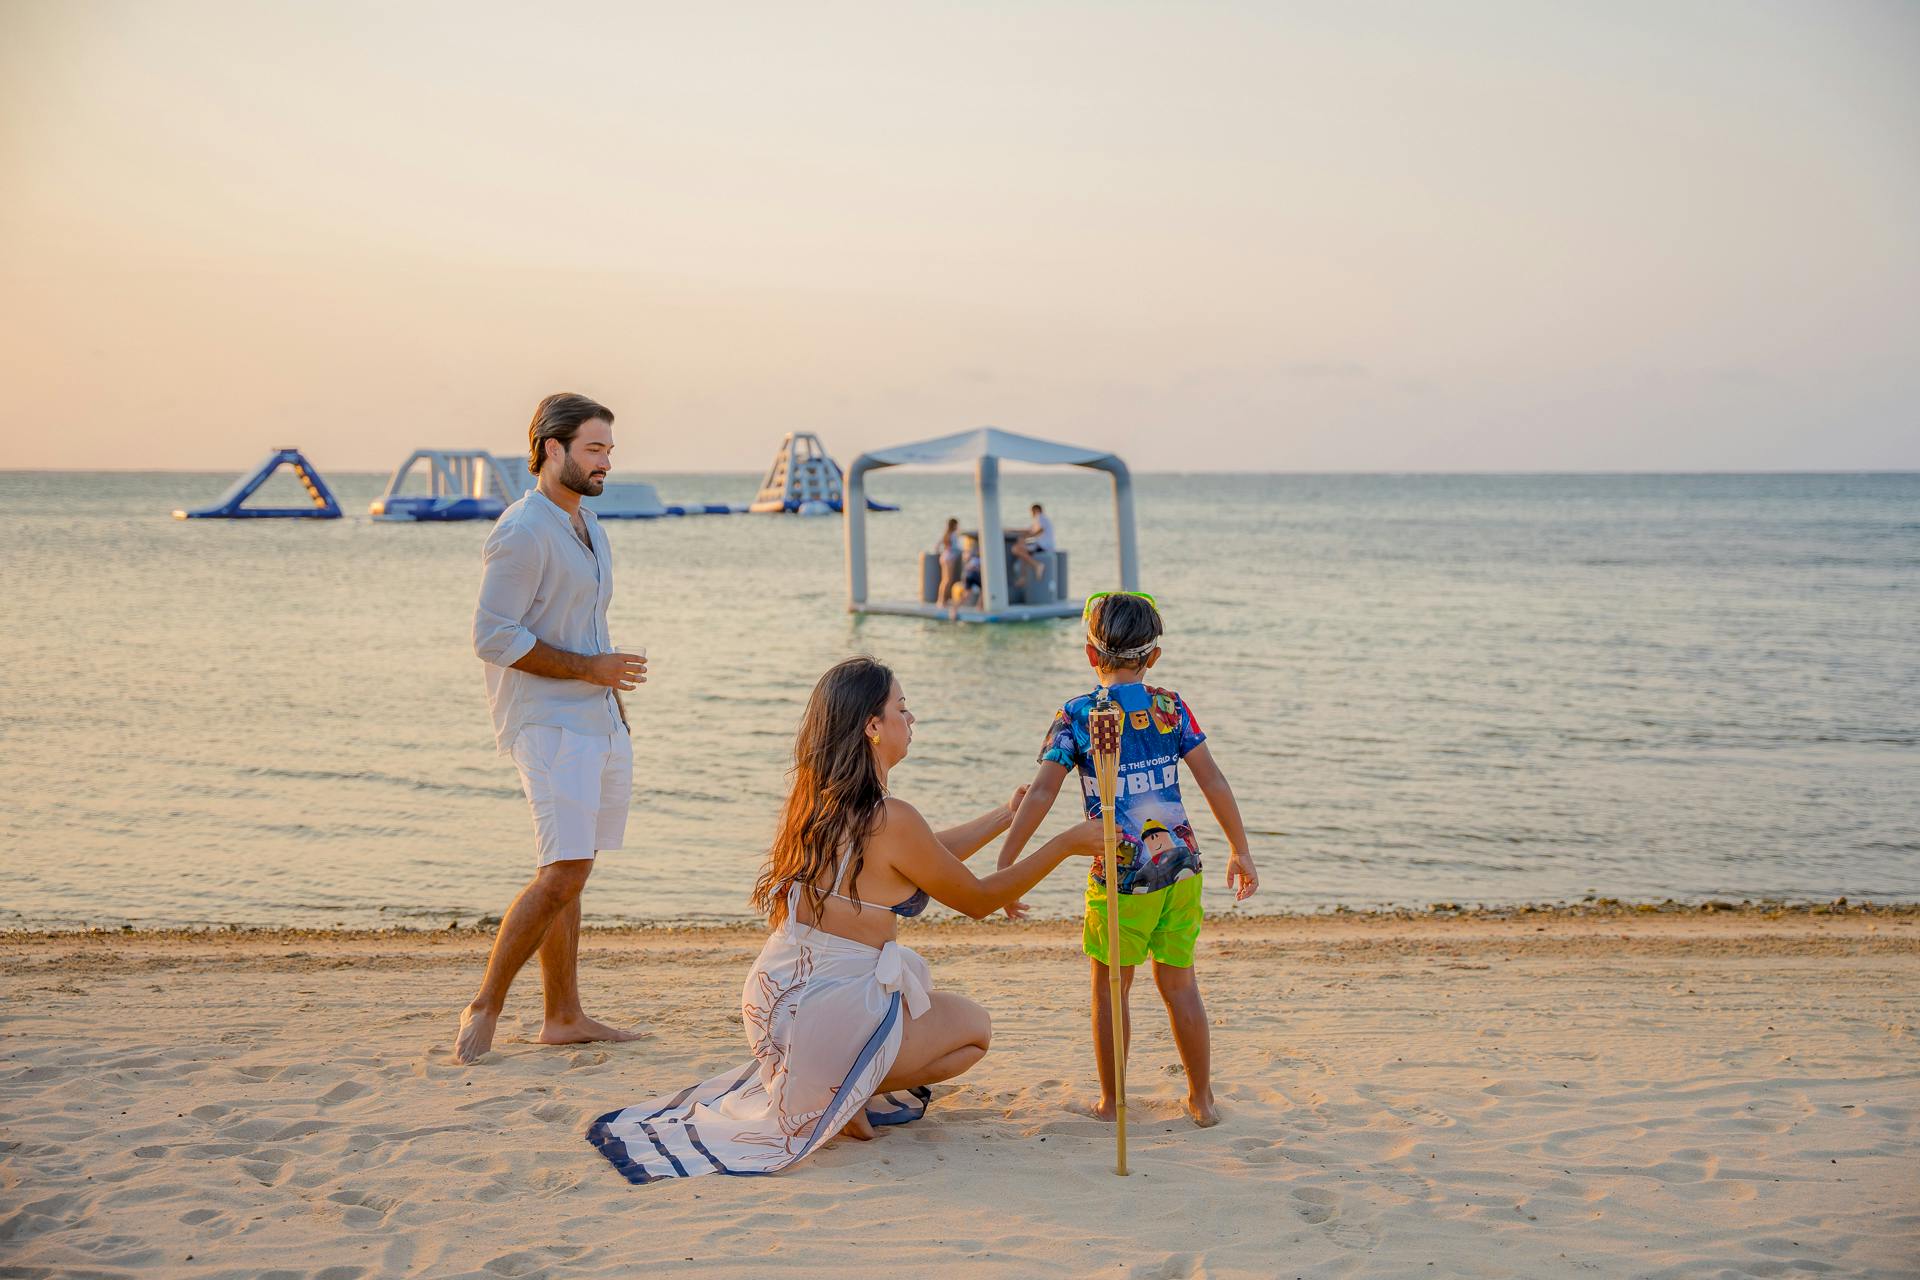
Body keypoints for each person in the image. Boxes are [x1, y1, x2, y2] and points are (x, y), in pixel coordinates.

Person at [587, 656, 1100, 1182]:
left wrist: (1003, 818)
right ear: (872, 728)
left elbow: (919, 861)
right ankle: (845, 1094)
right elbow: (976, 899)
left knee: (922, 1003)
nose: (912, 719)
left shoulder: (815, 801)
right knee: (975, 1030)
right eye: (902, 708)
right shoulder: (892, 818)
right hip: (831, 1011)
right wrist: (1063, 845)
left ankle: (836, 1091)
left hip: (774, 1003)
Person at [995, 592, 1259, 1127]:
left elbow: (1043, 793)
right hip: (1183, 865)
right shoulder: (1170, 706)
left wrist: (1008, 861)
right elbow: (1211, 778)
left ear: (1092, 656)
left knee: (1110, 987)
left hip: (1121, 875)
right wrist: (1240, 849)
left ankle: (1113, 1102)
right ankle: (1201, 1100)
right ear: (1153, 658)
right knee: (1180, 982)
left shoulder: (1076, 715)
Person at [454, 392, 649, 1064]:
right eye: (594, 449)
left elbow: (582, 625)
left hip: (595, 720)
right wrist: (588, 669)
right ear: (552, 448)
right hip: (547, 723)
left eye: (609, 451)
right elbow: (492, 634)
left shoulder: (589, 526)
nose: (605, 463)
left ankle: (563, 1017)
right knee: (561, 871)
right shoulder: (522, 529)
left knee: (575, 870)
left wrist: (608, 694)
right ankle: (485, 1004)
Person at [1009, 503, 1054, 586]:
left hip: (1042, 546)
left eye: (1031, 511)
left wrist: (1027, 537)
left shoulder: (1040, 517)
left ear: (1036, 510)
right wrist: (1012, 530)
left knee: (1016, 549)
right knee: (1021, 547)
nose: (1031, 514)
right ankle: (1023, 576)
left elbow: (1040, 530)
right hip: (1039, 544)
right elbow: (1028, 530)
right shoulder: (1037, 520)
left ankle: (1037, 565)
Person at [946, 532, 982, 619]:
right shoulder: (979, 555)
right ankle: (979, 607)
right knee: (984, 590)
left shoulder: (970, 553)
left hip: (968, 575)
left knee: (966, 594)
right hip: (973, 575)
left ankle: (954, 610)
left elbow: (967, 564)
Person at [933, 516, 962, 607]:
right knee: (948, 580)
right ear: (954, 525)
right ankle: (942, 601)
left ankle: (942, 600)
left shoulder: (946, 534)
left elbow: (937, 547)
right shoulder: (953, 534)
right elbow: (956, 547)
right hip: (950, 558)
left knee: (945, 580)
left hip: (944, 556)